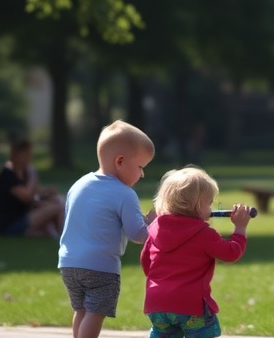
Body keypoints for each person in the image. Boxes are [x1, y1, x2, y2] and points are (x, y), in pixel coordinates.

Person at [58, 120, 156, 338]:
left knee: (81, 310)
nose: (142, 175)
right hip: (100, 266)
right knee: (96, 313)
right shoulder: (124, 193)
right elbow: (139, 235)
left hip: (69, 263)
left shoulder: (79, 185)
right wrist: (154, 223)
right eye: (140, 167)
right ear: (120, 161)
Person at [141, 166, 251, 338]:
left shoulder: (155, 227)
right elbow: (231, 253)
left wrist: (163, 283)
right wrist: (240, 228)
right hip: (190, 304)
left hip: (157, 302)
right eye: (209, 202)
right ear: (198, 204)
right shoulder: (203, 233)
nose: (211, 207)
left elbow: (146, 261)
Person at [0, 137, 65, 238]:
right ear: (17, 154)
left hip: (24, 217)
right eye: (26, 154)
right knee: (58, 208)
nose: (29, 157)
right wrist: (32, 176)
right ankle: (62, 236)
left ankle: (55, 233)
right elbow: (27, 197)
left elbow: (35, 195)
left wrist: (47, 193)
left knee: (58, 201)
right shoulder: (8, 174)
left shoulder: (25, 172)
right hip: (11, 223)